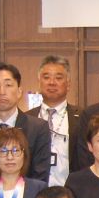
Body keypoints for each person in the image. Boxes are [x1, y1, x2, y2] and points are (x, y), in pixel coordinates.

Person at [0, 62, 51, 183]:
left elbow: (40, 175)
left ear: (19, 91)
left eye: (8, 85)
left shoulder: (38, 128)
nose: (2, 91)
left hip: (27, 193)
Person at [27, 54, 83, 187]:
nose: (52, 82)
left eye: (58, 78)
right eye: (46, 77)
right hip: (34, 191)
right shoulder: (26, 119)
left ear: (68, 84)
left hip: (70, 191)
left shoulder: (82, 117)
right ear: (39, 82)